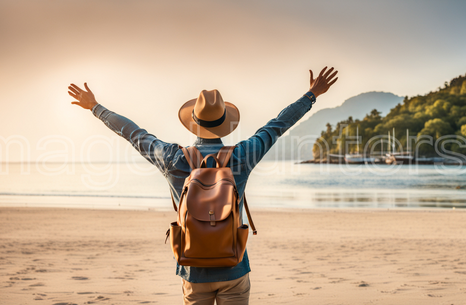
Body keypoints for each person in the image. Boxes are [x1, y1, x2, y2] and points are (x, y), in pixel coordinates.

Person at [68, 67, 338, 305]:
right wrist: (311, 94)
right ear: (225, 124)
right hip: (234, 267)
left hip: (192, 269)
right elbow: (277, 125)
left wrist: (95, 107)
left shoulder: (172, 158)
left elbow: (133, 133)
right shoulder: (242, 155)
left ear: (193, 122)